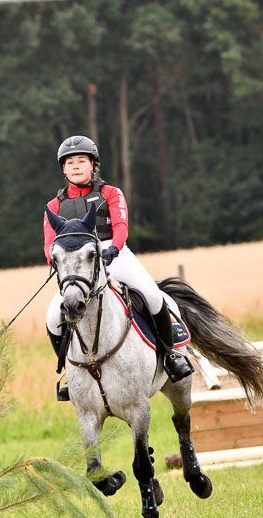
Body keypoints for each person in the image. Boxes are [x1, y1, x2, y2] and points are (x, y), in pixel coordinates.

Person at [44, 134, 193, 400]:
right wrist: (54, 261)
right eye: (70, 162)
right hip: (76, 264)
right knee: (53, 317)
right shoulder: (54, 205)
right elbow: (49, 242)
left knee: (152, 294)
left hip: (114, 251)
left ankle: (170, 355)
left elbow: (121, 225)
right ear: (63, 169)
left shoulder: (111, 193)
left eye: (82, 160)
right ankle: (68, 370)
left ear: (93, 165)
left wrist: (114, 248)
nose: (76, 166)